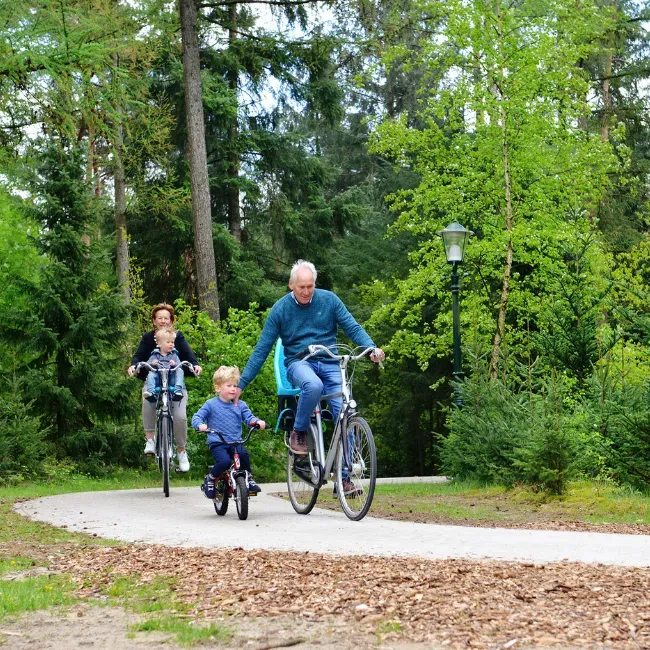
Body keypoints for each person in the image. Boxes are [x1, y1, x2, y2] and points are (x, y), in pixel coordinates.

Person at [236, 260, 384, 490]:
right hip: (299, 362)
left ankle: (343, 478)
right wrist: (242, 383)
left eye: (310, 286)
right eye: (301, 287)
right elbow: (262, 349)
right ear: (291, 285)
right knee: (313, 386)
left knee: (346, 413)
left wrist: (371, 348)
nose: (306, 292)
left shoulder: (330, 300)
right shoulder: (281, 309)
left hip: (330, 361)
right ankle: (299, 433)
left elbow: (352, 327)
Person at [127, 303, 202, 472]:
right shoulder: (148, 338)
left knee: (181, 416)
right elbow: (138, 356)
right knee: (147, 401)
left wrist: (195, 366)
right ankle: (150, 440)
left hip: (175, 384)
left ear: (171, 321)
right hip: (154, 383)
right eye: (159, 318)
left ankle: (181, 451)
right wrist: (134, 366)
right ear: (154, 321)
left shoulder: (177, 337)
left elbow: (189, 355)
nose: (162, 321)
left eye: (166, 318)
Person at [192, 365, 266, 497]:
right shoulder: (211, 404)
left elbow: (249, 418)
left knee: (243, 455)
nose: (233, 389)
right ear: (218, 388)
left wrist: (256, 422)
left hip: (236, 442)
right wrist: (200, 425)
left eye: (235, 386)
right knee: (224, 462)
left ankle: (248, 477)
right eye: (229, 386)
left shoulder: (241, 405)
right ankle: (211, 478)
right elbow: (197, 417)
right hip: (218, 443)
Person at [143, 327, 185, 402]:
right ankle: (151, 393)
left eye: (172, 342)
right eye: (168, 342)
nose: (171, 344)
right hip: (158, 379)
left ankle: (178, 391)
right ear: (159, 344)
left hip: (170, 379)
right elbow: (147, 365)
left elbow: (180, 365)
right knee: (151, 373)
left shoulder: (174, 355)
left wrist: (174, 364)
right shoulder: (155, 355)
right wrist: (152, 363)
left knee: (179, 370)